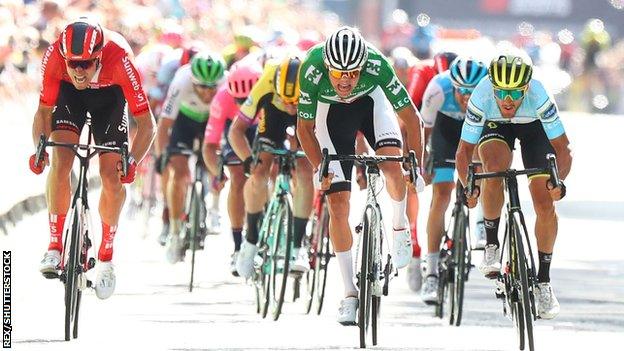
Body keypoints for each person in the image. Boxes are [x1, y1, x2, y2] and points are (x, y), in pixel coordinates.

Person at [296, 26, 423, 325]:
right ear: (327, 66)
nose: (346, 80)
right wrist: (319, 168)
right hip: (331, 117)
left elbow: (411, 117)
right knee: (337, 204)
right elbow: (304, 128)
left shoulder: (377, 65)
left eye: (353, 73)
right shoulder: (311, 68)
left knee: (392, 166)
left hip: (372, 105)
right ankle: (350, 294)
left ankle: (398, 225)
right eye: (339, 74)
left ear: (363, 66)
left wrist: (414, 162)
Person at [30, 17, 156, 299]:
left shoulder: (120, 58)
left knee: (113, 179)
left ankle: (106, 256)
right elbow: (43, 112)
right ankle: (54, 246)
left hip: (110, 100)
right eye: (72, 63)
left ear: (98, 56)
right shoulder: (54, 57)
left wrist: (132, 160)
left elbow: (147, 124)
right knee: (61, 161)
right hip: (69, 99)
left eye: (85, 63)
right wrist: (39, 149)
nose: (78, 70)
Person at [456, 54, 572, 319]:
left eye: (515, 93)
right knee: (494, 168)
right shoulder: (483, 95)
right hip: (495, 126)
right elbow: (464, 152)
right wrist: (468, 186)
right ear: (492, 87)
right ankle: (492, 245)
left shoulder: (540, 95)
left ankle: (543, 281)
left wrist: (559, 182)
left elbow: (563, 148)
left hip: (534, 128)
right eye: (502, 93)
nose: (508, 101)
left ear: (526, 88)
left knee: (545, 202)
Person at [231, 54, 315, 278]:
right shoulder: (266, 82)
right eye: (285, 100)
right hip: (272, 117)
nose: (289, 106)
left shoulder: (313, 82)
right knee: (259, 173)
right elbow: (235, 131)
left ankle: (298, 248)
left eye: (293, 101)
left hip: (305, 116)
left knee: (306, 172)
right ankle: (250, 243)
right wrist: (248, 159)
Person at [418, 57, 488, 304]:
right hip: (445, 132)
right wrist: (423, 161)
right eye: (462, 92)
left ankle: (482, 223)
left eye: (472, 92)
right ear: (453, 86)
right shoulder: (438, 88)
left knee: (482, 171)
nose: (466, 98)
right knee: (442, 194)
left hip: (476, 130)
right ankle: (432, 272)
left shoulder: (489, 91)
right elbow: (424, 129)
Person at [154, 51, 226, 263]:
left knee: (217, 163)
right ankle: (175, 232)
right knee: (179, 173)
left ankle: (214, 209)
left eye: (212, 87)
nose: (207, 93)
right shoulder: (181, 81)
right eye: (202, 87)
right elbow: (164, 124)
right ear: (193, 81)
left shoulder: (226, 82)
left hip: (212, 122)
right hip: (184, 121)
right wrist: (161, 157)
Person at [404, 51, 458, 292]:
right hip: (424, 120)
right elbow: (407, 117)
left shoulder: (462, 81)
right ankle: (414, 253)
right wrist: (416, 159)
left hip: (452, 121)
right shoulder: (423, 73)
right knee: (413, 182)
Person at [202, 60, 262, 275]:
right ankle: (238, 247)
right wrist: (217, 173)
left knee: (268, 170)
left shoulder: (267, 91)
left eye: (247, 99)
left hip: (262, 126)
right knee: (238, 177)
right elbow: (209, 145)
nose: (244, 103)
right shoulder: (222, 99)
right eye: (239, 100)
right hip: (235, 129)